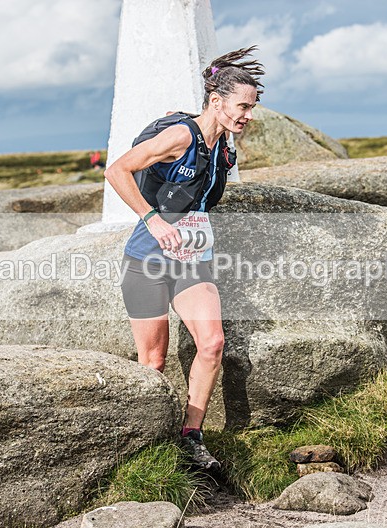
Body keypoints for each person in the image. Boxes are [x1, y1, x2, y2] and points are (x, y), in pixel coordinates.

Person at [104, 46, 264, 470]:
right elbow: (116, 170)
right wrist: (153, 220)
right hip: (147, 262)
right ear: (217, 101)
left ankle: (191, 437)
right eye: (243, 106)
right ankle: (146, 445)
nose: (248, 115)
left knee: (212, 343)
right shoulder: (181, 136)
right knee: (153, 362)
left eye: (252, 107)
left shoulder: (223, 147)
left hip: (192, 260)